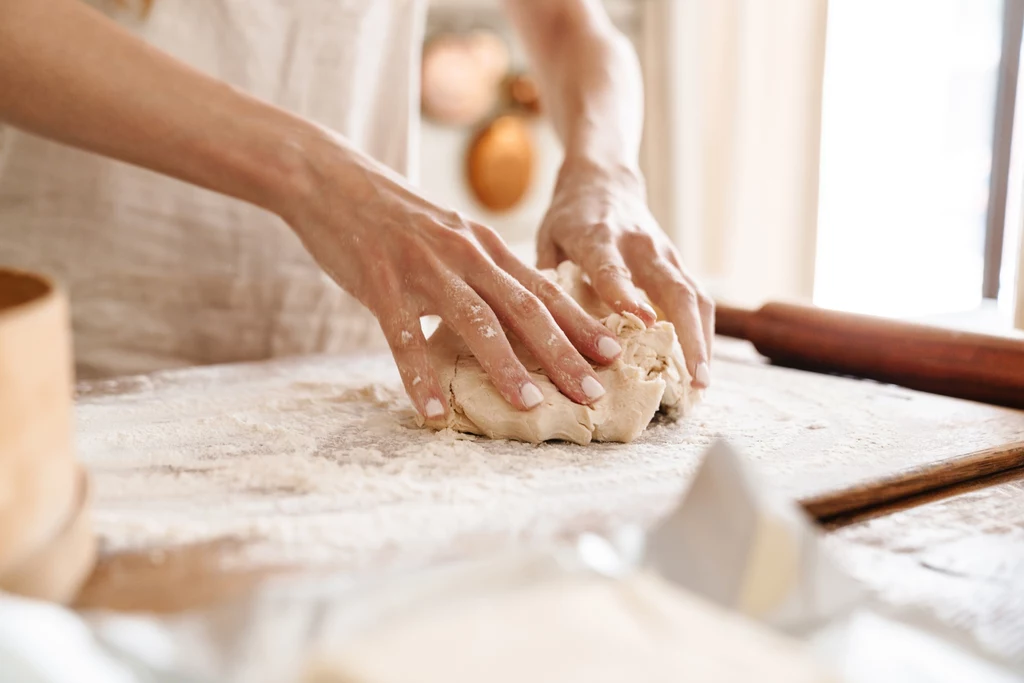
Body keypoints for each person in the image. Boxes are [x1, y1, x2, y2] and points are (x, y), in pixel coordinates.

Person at [0, 0, 714, 422]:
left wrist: (606, 168)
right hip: (80, 353)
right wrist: (313, 174)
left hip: (344, 363)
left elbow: (567, 25)